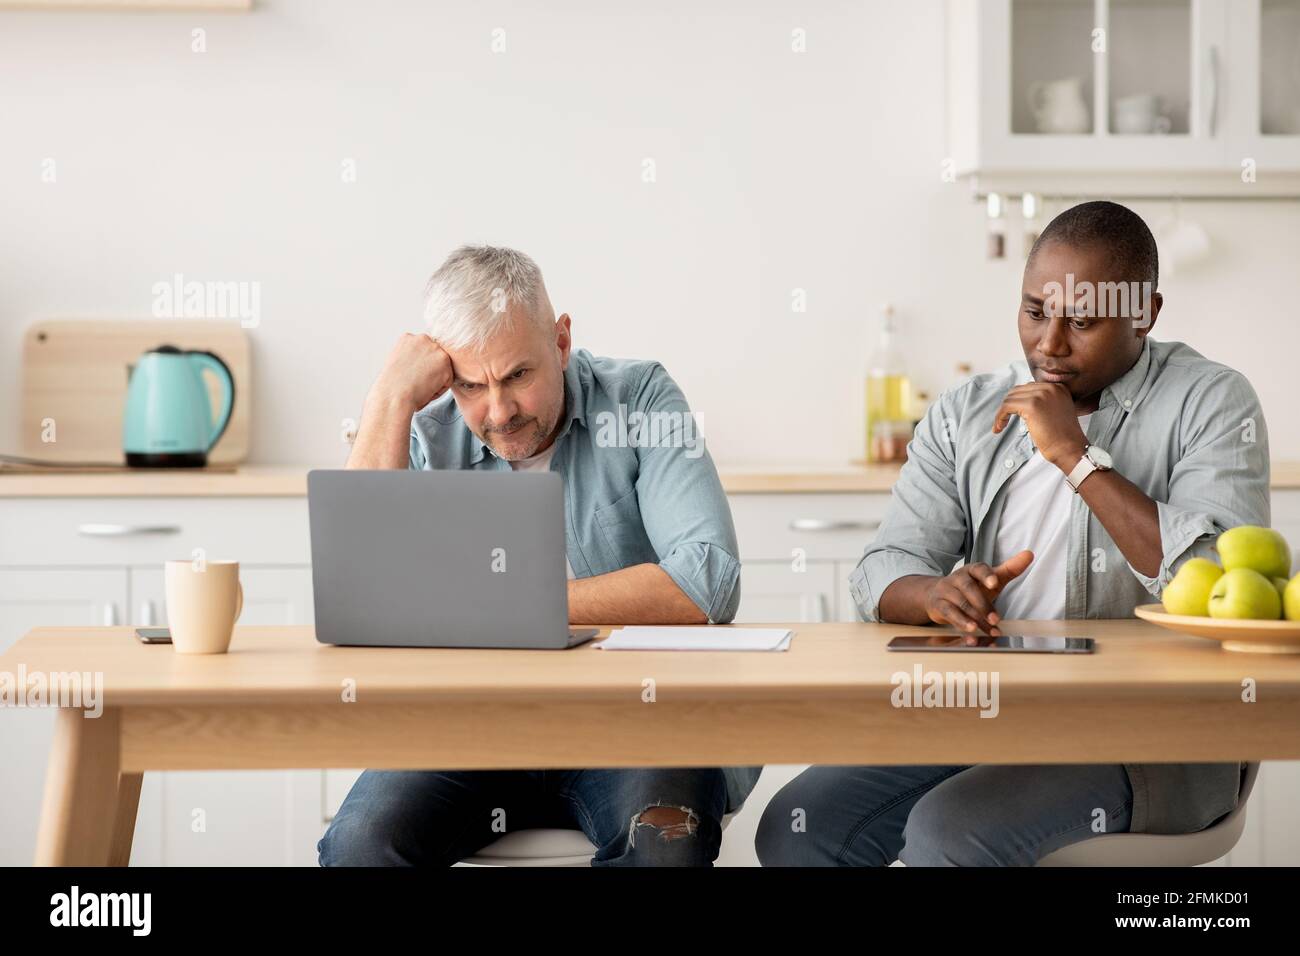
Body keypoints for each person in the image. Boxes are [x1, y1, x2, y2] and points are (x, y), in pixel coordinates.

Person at [756, 201, 1266, 866]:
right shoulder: (966, 413)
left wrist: (1075, 458)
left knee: (948, 831)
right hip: (991, 720)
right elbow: (883, 567)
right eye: (1034, 311)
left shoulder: (1214, 402)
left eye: (1081, 321)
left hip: (1155, 739)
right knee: (800, 828)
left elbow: (1215, 585)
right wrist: (936, 594)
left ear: (1145, 313)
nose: (1048, 344)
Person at [319, 245, 758, 866]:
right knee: (360, 847)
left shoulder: (640, 400)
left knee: (665, 846)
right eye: (472, 385)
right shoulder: (426, 431)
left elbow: (707, 580)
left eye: (518, 375)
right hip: (469, 730)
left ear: (561, 341)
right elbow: (358, 595)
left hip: (639, 723)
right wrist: (388, 398)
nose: (499, 412)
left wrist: (504, 605)